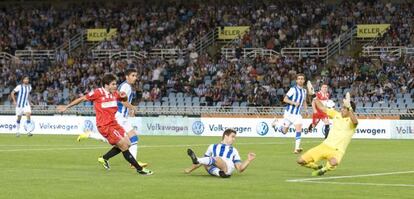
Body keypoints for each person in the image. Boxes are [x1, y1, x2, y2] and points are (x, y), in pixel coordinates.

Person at [57, 73, 153, 175]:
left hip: (114, 124)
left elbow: (123, 100)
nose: (115, 86)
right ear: (106, 85)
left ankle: (104, 158)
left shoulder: (115, 93)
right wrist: (67, 107)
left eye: (115, 84)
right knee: (124, 146)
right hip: (105, 126)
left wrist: (124, 97)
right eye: (113, 84)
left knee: (128, 144)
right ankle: (139, 169)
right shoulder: (97, 93)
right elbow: (82, 99)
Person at [77, 69, 147, 167]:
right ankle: (133, 162)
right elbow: (122, 101)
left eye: (136, 75)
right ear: (127, 77)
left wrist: (130, 109)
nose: (135, 77)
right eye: (133, 75)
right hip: (119, 115)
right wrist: (132, 108)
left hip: (121, 115)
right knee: (130, 139)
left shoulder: (126, 86)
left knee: (122, 141)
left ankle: (104, 157)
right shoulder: (126, 86)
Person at [297, 92, 358, 176]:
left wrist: (349, 107)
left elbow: (355, 121)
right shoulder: (336, 115)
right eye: (342, 108)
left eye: (344, 108)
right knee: (300, 161)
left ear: (349, 110)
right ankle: (317, 167)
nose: (341, 110)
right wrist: (315, 96)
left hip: (337, 150)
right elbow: (322, 108)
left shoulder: (352, 122)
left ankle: (324, 169)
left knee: (334, 162)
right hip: (324, 145)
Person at [184, 129, 256, 178]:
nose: (234, 139)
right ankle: (220, 173)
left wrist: (248, 160)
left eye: (235, 137)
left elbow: (240, 169)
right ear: (226, 136)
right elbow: (204, 160)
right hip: (216, 168)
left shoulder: (234, 150)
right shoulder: (212, 146)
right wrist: (189, 170)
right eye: (232, 137)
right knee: (206, 163)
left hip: (227, 168)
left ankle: (197, 159)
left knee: (216, 159)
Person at [271, 73, 308, 154]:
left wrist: (306, 110)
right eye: (299, 79)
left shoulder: (304, 91)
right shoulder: (293, 89)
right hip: (289, 114)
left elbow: (304, 101)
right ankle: (276, 125)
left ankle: (296, 148)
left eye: (302, 79)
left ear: (304, 80)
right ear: (296, 80)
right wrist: (294, 103)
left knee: (299, 129)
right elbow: (285, 99)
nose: (300, 80)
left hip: (297, 115)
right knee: (284, 132)